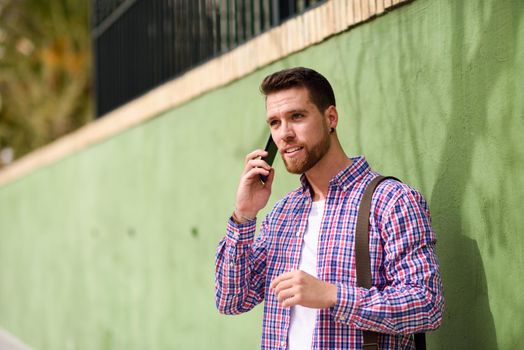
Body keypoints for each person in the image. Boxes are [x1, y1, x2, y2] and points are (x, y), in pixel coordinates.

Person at [214, 67, 444, 349]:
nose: (284, 134)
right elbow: (231, 300)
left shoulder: (391, 201)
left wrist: (333, 296)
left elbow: (427, 304)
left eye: (297, 116)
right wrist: (244, 215)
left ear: (330, 118)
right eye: (274, 122)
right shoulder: (282, 214)